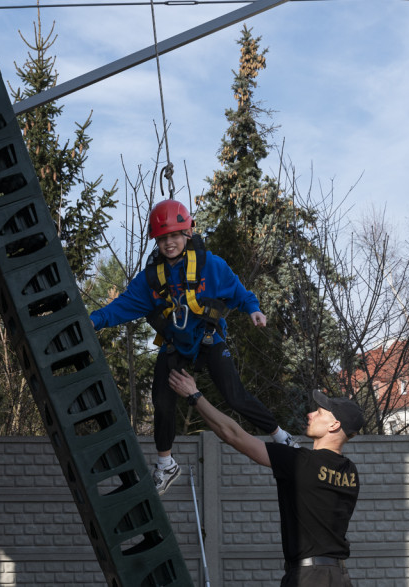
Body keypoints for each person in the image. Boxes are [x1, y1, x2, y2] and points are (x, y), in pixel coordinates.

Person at [90, 199, 297, 495]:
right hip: (176, 345)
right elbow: (121, 306)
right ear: (156, 241)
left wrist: (253, 309)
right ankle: (166, 464)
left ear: (187, 233)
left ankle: (280, 436)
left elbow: (238, 291)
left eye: (175, 236)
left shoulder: (210, 265)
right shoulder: (150, 278)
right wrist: (93, 321)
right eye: (163, 238)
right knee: (162, 400)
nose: (169, 243)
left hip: (208, 340)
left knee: (234, 395)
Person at [168, 368, 364, 587]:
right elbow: (316, 467)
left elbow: (232, 434)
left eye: (319, 412)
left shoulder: (300, 462)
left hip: (309, 578)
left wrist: (194, 396)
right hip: (339, 577)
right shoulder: (350, 472)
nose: (310, 414)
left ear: (334, 425)